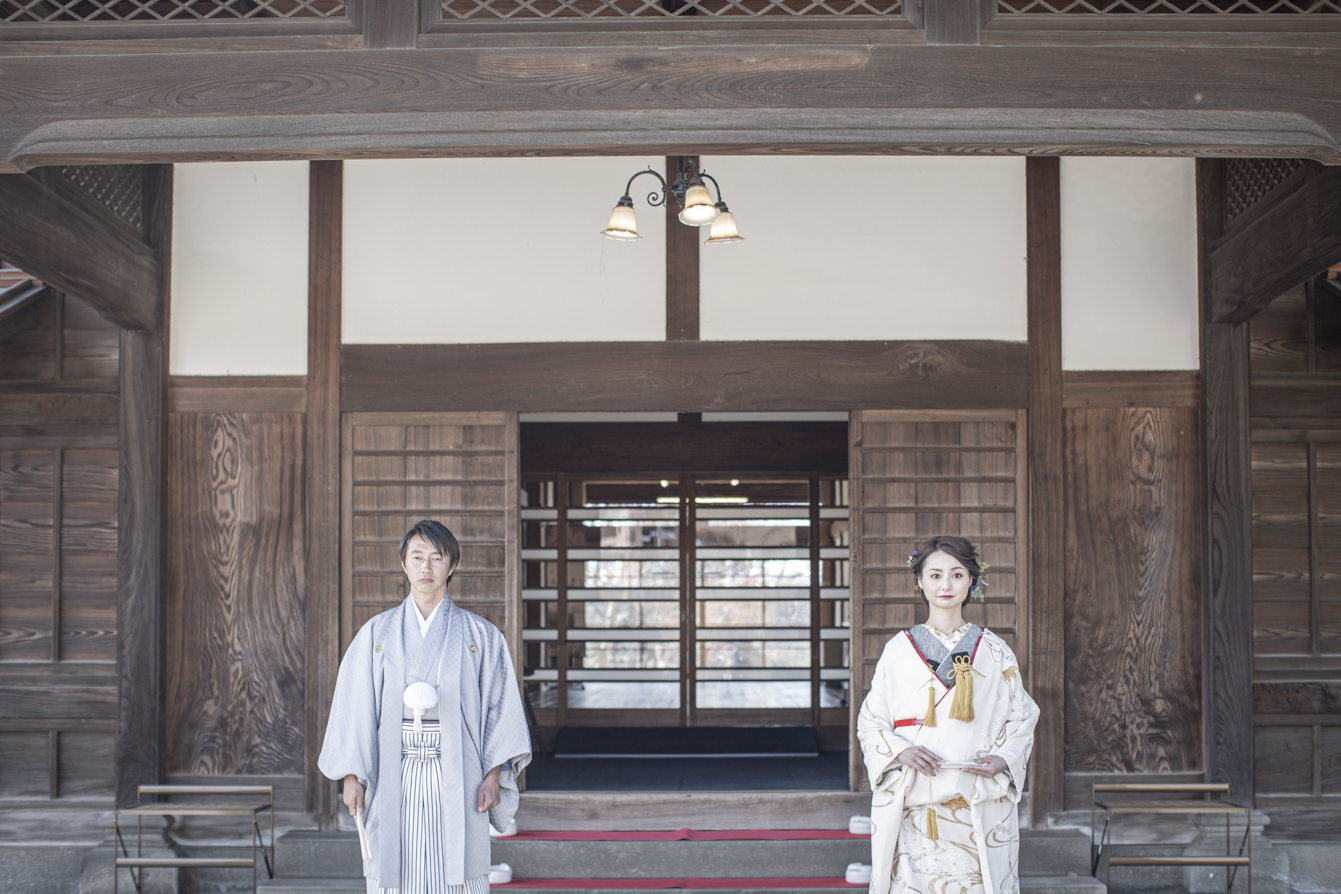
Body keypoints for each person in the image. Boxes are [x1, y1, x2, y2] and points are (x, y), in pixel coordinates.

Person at [319, 519, 532, 894]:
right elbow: (354, 707)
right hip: (392, 768)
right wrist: (351, 776)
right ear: (403, 564)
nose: (426, 567)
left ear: (452, 565)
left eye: (437, 557)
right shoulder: (376, 633)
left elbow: (500, 707)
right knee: (395, 869)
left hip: (461, 772)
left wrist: (492, 775)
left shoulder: (481, 636)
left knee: (459, 870)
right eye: (417, 557)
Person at [857, 535, 1039, 894]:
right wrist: (901, 750)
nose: (946, 585)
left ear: (972, 581)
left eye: (957, 575)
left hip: (976, 794)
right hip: (915, 798)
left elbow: (1022, 714)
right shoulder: (897, 650)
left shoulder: (995, 650)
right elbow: (870, 720)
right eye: (936, 575)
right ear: (920, 581)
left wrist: (1004, 758)